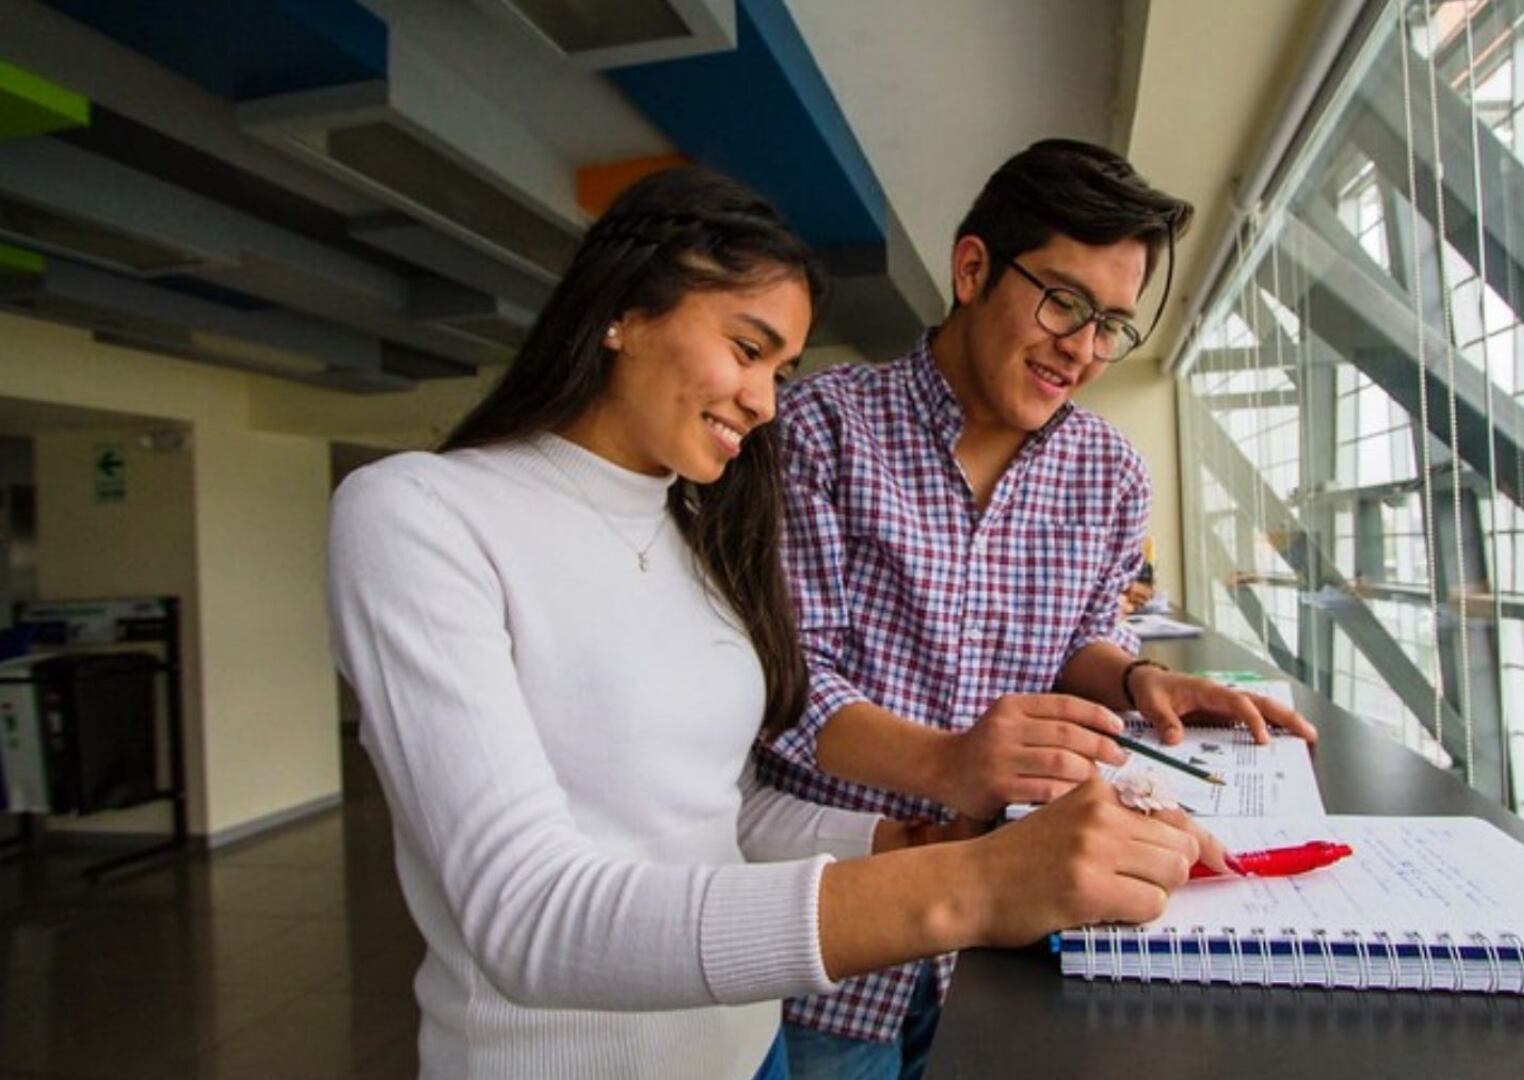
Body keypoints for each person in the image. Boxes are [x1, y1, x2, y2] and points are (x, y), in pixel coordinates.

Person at [327, 167, 1228, 1080]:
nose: (764, 404)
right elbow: (526, 919)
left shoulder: (698, 528)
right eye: (747, 349)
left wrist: (913, 842)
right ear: (625, 311)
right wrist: (975, 881)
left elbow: (723, 808)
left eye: (782, 368)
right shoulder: (418, 513)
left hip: (748, 1044)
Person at [759, 139, 1319, 1079]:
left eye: (1111, 325)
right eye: (1064, 301)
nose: (1084, 349)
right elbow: (784, 687)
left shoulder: (1111, 475)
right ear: (972, 268)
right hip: (836, 936)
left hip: (1011, 942)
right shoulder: (820, 432)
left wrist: (1146, 680)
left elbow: (1080, 634)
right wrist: (950, 762)